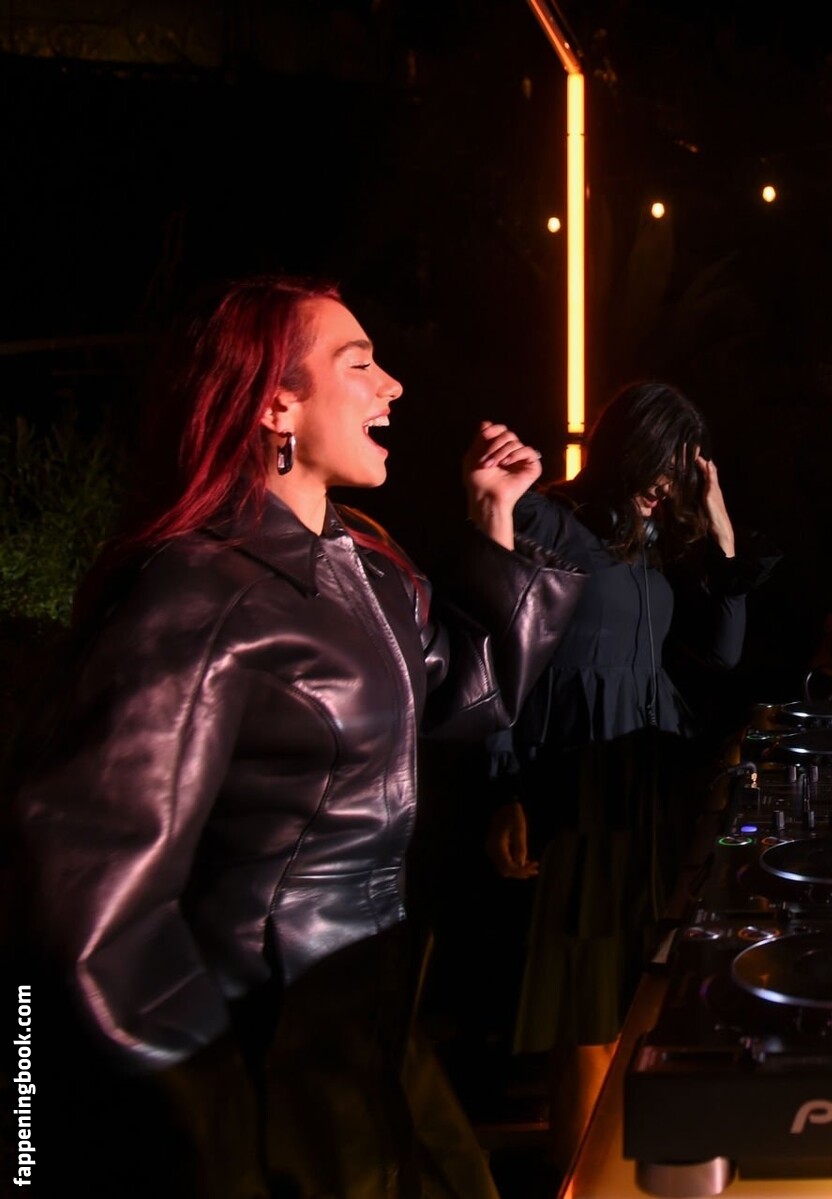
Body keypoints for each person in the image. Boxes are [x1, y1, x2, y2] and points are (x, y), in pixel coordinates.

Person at [10, 277, 585, 1198]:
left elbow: (466, 695)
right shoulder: (198, 592)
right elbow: (85, 897)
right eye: (359, 365)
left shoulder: (366, 567)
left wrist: (495, 517)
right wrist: (213, 1120)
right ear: (276, 404)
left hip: (374, 1033)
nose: (392, 385)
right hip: (271, 1061)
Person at [482, 380, 775, 1166]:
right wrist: (503, 787)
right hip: (577, 785)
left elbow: (723, 653)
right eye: (663, 463)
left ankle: (604, 1169)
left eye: (683, 469)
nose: (670, 484)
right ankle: (579, 1179)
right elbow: (499, 658)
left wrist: (722, 528)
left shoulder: (649, 546)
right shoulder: (549, 521)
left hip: (646, 787)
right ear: (628, 448)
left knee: (630, 1008)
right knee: (586, 1014)